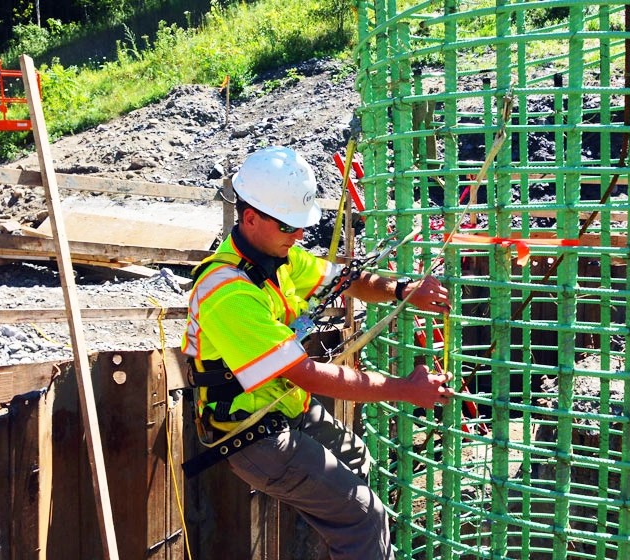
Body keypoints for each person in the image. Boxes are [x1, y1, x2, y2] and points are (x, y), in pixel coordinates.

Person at [181, 146, 454, 560]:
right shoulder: (227, 292)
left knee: (355, 458)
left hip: (282, 406)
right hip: (250, 431)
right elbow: (306, 374)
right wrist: (404, 388)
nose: (300, 237)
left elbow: (347, 281)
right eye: (290, 227)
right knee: (365, 518)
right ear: (251, 217)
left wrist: (402, 290)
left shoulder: (280, 257)